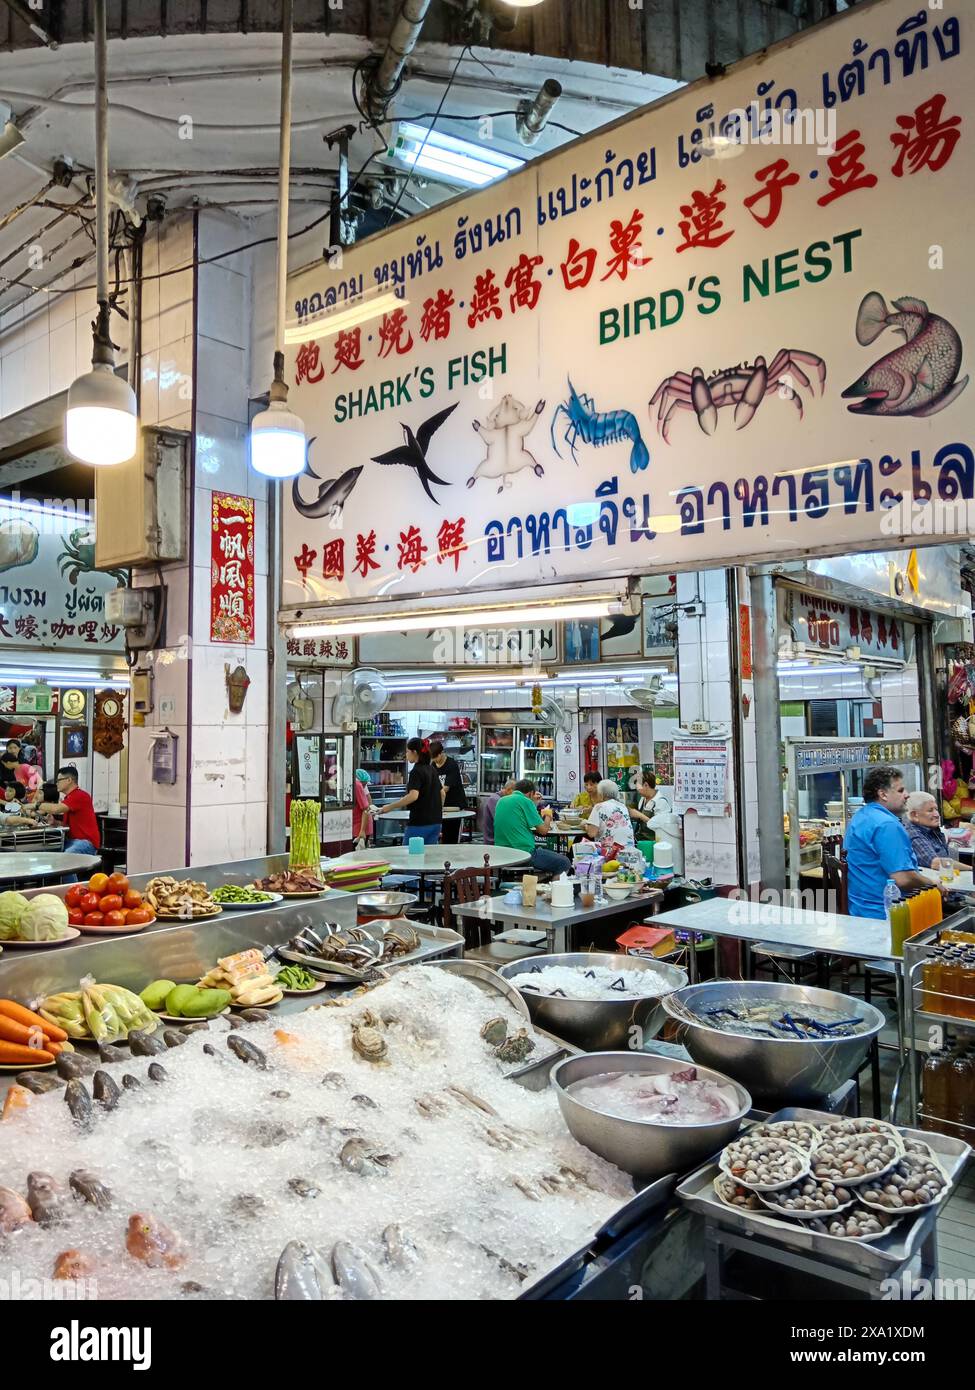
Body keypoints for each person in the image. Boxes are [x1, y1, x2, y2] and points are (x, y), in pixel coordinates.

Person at [843, 767, 935, 919]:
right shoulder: (887, 825)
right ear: (883, 794)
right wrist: (932, 884)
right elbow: (903, 879)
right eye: (901, 790)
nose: (907, 795)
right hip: (885, 914)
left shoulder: (861, 816)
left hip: (859, 909)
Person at [493, 779, 570, 875]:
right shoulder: (525, 801)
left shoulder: (501, 801)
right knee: (564, 862)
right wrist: (548, 816)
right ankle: (552, 888)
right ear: (530, 793)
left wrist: (533, 804)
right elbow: (543, 831)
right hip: (523, 853)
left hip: (502, 854)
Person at [381, 738, 442, 846]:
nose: (406, 754)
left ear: (414, 752)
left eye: (407, 751)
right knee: (430, 858)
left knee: (410, 857)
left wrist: (390, 807)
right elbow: (442, 793)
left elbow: (413, 796)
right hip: (436, 822)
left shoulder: (416, 771)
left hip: (419, 823)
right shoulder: (432, 769)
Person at [36, 765, 101, 855]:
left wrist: (36, 805)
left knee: (65, 858)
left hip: (86, 842)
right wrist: (55, 822)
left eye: (59, 780)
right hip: (72, 841)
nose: (57, 783)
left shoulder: (80, 795)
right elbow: (68, 825)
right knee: (46, 852)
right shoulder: (69, 798)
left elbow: (56, 809)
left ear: (69, 780)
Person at [430, 738, 467, 845]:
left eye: (436, 757)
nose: (435, 760)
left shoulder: (451, 765)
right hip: (442, 807)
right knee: (441, 836)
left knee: (451, 837)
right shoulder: (433, 766)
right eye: (433, 758)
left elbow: (445, 789)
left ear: (441, 753)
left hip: (454, 805)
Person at [585, 779, 636, 857]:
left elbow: (591, 833)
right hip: (629, 852)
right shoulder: (623, 806)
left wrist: (584, 825)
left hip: (610, 853)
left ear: (601, 794)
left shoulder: (599, 806)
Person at [482, 777, 516, 845]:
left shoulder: (503, 799)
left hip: (502, 840)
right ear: (508, 790)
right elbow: (504, 823)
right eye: (515, 794)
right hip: (494, 843)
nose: (516, 797)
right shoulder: (495, 800)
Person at [353, 769, 374, 849]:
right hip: (357, 825)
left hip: (360, 826)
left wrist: (362, 831)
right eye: (364, 784)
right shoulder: (355, 784)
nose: (364, 787)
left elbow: (366, 808)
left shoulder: (358, 785)